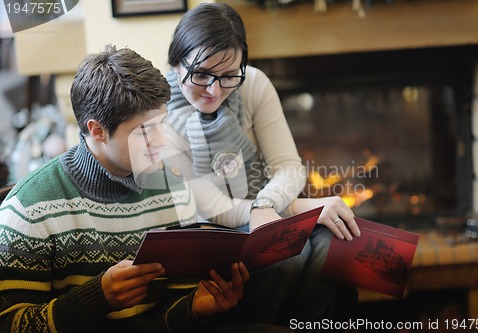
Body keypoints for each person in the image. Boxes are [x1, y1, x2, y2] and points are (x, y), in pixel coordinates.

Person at [0, 45, 293, 333]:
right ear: (97, 130)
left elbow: (167, 312)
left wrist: (196, 308)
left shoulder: (170, 184)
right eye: (144, 130)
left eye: (161, 124)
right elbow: (9, 322)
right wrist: (96, 299)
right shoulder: (29, 208)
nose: (161, 140)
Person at [164, 2, 361, 328]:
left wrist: (269, 205)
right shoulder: (160, 117)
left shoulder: (253, 83)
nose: (215, 90)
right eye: (201, 75)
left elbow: (288, 167)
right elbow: (212, 207)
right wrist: (294, 209)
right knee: (287, 255)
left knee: (334, 242)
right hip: (207, 231)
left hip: (265, 210)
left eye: (229, 76)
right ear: (175, 65)